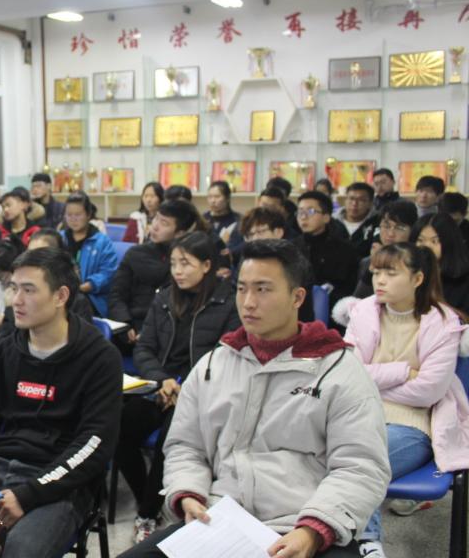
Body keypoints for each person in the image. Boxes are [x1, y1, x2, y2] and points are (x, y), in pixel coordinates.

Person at [118, 239, 390, 558]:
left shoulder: (338, 370)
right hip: (219, 520)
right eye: (241, 289)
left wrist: (313, 531)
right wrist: (188, 492)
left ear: (297, 297)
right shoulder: (214, 365)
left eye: (262, 289)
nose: (248, 303)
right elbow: (185, 446)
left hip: (304, 526)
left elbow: (360, 466)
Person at [0, 248, 121, 558]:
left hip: (59, 483)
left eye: (29, 290)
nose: (16, 300)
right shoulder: (6, 351)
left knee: (16, 553)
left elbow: (94, 445)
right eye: (14, 288)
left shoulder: (100, 358)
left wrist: (28, 495)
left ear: (61, 296)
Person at [345, 243, 469, 558]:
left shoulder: (443, 322)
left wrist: (370, 380)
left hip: (411, 424)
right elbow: (347, 373)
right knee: (321, 451)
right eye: (376, 272)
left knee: (360, 459)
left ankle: (366, 541)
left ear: (417, 278)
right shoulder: (362, 311)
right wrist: (403, 372)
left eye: (390, 272)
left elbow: (428, 391)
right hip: (358, 415)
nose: (379, 280)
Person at [118, 232, 241, 543]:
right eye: (173, 263)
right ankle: (148, 497)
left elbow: (225, 355)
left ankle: (147, 513)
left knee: (171, 436)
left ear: (207, 265)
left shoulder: (228, 302)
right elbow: (144, 348)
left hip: (202, 392)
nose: (177, 271)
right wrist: (163, 380)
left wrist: (186, 386)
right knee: (118, 426)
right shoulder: (163, 298)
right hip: (161, 387)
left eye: (185, 263)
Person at [108, 200, 199, 347]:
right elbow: (116, 295)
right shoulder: (135, 253)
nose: (155, 226)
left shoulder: (187, 263)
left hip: (167, 332)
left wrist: (150, 332)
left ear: (180, 233)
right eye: (156, 218)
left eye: (164, 223)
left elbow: (183, 308)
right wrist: (124, 324)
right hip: (131, 326)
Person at [294, 191, 360, 312]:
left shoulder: (344, 250)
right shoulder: (291, 248)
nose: (303, 217)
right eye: (300, 211)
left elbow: (348, 289)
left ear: (326, 217)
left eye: (311, 211)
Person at [61, 192, 118, 316]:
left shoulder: (102, 242)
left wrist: (85, 287)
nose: (73, 219)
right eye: (69, 215)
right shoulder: (60, 238)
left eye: (78, 215)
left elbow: (108, 273)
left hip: (91, 298)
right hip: (61, 294)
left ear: (88, 215)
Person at [353, 200, 417, 299]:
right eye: (386, 226)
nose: (391, 234)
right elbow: (358, 299)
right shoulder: (367, 262)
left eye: (399, 228)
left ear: (413, 230)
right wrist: (373, 267)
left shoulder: (417, 261)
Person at [412, 213, 469, 315]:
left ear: (449, 243)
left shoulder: (464, 282)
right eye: (420, 240)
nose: (426, 246)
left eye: (434, 241)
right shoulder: (409, 275)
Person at [337, 182, 379, 259]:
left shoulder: (377, 224)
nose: (354, 204)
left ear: (370, 203)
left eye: (361, 200)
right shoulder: (331, 222)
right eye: (351, 198)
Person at [203, 180, 238, 245]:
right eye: (210, 197)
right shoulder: (203, 219)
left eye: (217, 197)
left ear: (227, 198)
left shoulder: (237, 221)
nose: (213, 201)